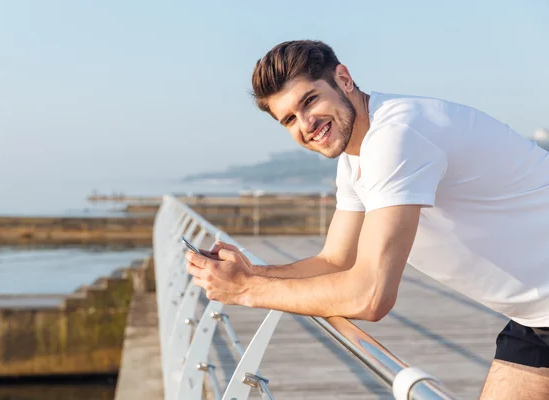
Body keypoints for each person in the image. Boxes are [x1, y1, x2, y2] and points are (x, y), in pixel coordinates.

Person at [184, 40, 549, 399]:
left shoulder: (396, 136)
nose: (306, 124)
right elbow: (334, 261)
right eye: (289, 120)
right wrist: (251, 273)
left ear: (343, 78)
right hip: (537, 319)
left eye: (309, 101)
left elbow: (371, 295)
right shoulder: (356, 155)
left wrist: (246, 291)